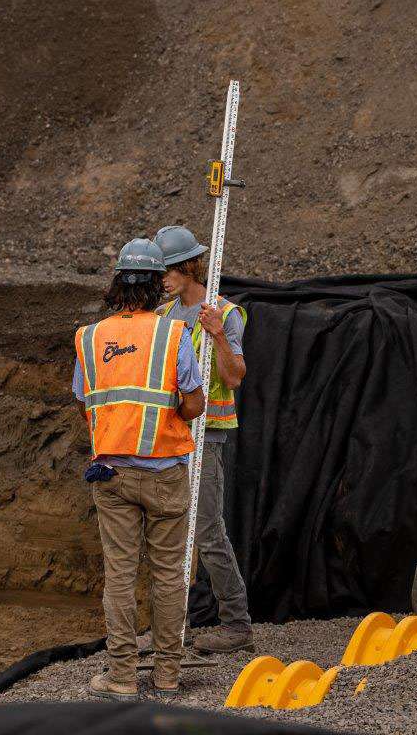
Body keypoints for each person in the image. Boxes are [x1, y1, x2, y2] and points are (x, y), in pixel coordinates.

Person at [73, 238, 204, 701]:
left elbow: (85, 398)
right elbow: (193, 405)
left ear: (116, 284)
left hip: (111, 475)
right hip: (165, 472)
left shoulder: (89, 337)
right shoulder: (173, 335)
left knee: (121, 575)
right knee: (168, 575)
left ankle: (122, 678)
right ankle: (167, 677)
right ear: (156, 286)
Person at [153, 224, 253, 654]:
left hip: (207, 434)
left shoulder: (226, 314)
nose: (165, 278)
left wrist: (214, 332)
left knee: (208, 532)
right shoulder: (161, 318)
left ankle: (236, 624)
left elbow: (234, 377)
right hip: (171, 436)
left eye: (171, 270)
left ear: (190, 268)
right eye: (161, 271)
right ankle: (169, 628)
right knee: (166, 532)